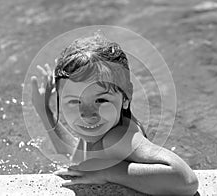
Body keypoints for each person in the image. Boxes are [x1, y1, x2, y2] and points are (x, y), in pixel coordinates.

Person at [31, 32, 198, 195]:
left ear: (126, 96)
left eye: (101, 100)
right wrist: (44, 110)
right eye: (75, 102)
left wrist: (108, 172)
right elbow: (73, 153)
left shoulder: (118, 137)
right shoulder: (100, 129)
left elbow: (186, 181)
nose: (87, 114)